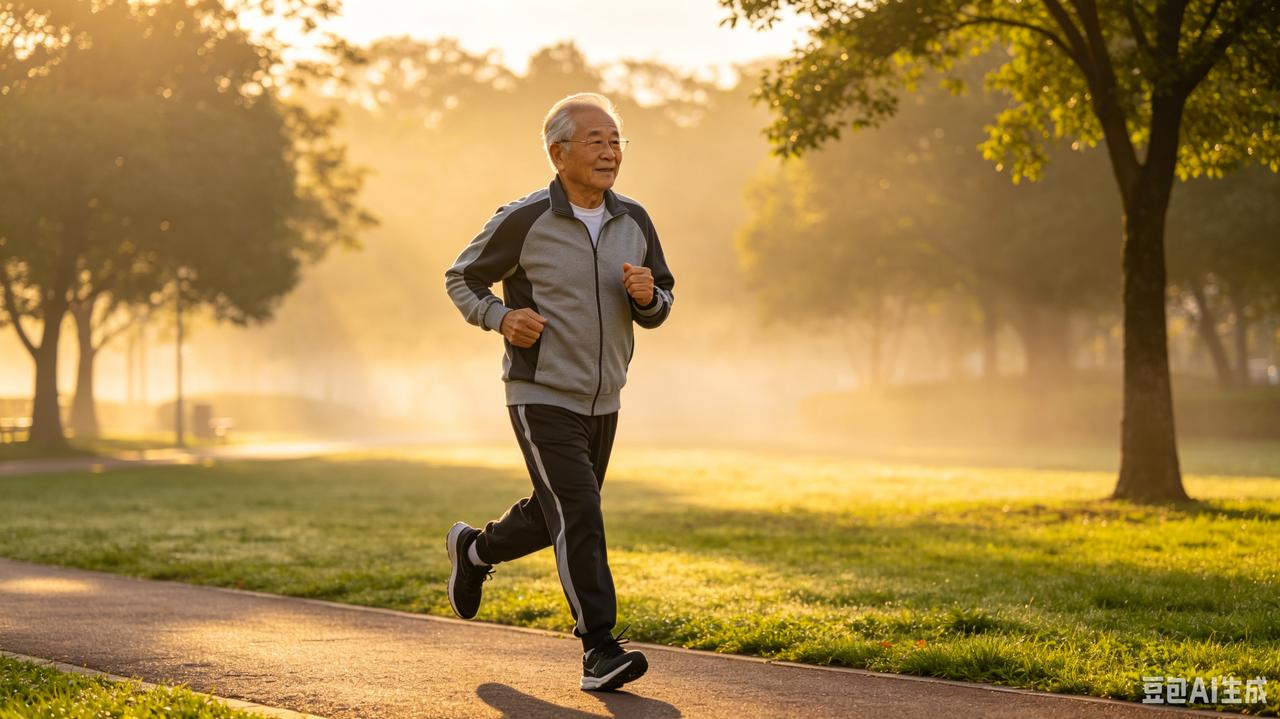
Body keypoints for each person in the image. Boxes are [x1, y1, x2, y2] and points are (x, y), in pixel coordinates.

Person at [443, 92, 675, 692]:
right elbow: (462, 277)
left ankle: (474, 551)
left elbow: (661, 304)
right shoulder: (525, 219)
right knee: (580, 511)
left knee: (558, 515)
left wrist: (649, 298)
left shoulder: (635, 221)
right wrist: (500, 318)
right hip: (540, 392)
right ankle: (599, 647)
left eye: (616, 140)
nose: (610, 151)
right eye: (595, 140)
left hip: (606, 398)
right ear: (558, 152)